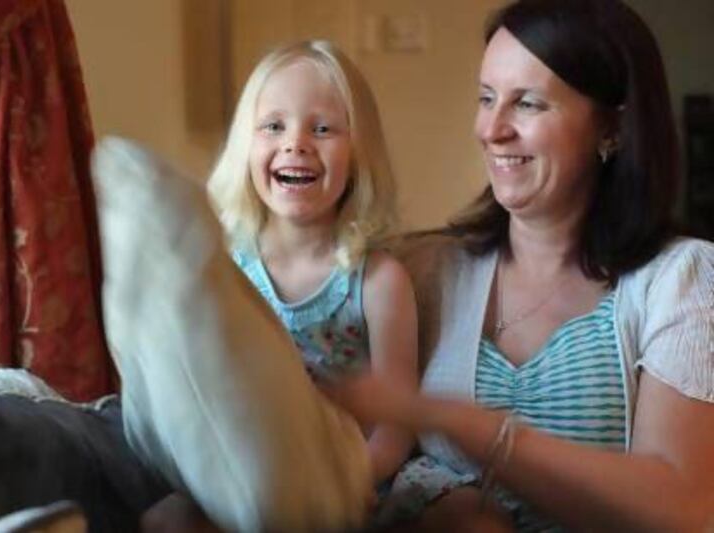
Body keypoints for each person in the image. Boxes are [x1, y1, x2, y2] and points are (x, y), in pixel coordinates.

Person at [327, 0, 714, 530]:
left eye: (528, 104)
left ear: (613, 129)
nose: (492, 129)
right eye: (487, 99)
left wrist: (458, 422)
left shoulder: (682, 279)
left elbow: (683, 508)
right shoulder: (420, 271)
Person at [207, 40, 419, 486]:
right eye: (273, 126)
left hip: (350, 476)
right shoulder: (224, 269)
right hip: (246, 474)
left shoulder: (379, 281)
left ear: (360, 154)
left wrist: (350, 488)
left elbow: (398, 425)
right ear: (245, 146)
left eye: (322, 129)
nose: (295, 144)